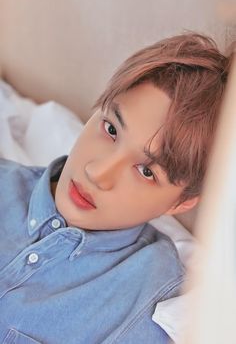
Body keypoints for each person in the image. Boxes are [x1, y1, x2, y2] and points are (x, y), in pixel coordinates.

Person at [0, 32, 233, 344]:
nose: (97, 172)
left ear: (182, 202)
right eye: (110, 129)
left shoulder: (149, 306)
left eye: (146, 171)